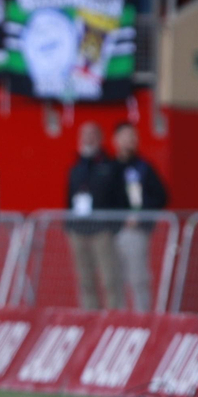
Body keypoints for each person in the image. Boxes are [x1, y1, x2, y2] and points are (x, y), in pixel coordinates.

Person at [99, 122, 169, 311]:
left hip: (134, 231)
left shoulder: (143, 167)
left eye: (133, 137)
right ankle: (117, 320)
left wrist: (141, 214)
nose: (130, 141)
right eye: (126, 136)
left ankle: (143, 318)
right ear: (115, 140)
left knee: (138, 278)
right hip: (109, 232)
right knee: (113, 279)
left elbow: (161, 196)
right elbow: (101, 197)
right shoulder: (108, 167)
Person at [65, 122, 119, 310]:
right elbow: (69, 197)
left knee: (109, 279)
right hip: (78, 230)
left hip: (102, 230)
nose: (87, 139)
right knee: (85, 280)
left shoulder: (110, 165)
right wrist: (69, 226)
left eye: (92, 135)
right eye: (84, 135)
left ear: (100, 138)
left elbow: (118, 197)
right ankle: (89, 319)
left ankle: (113, 318)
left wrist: (114, 226)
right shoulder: (76, 166)